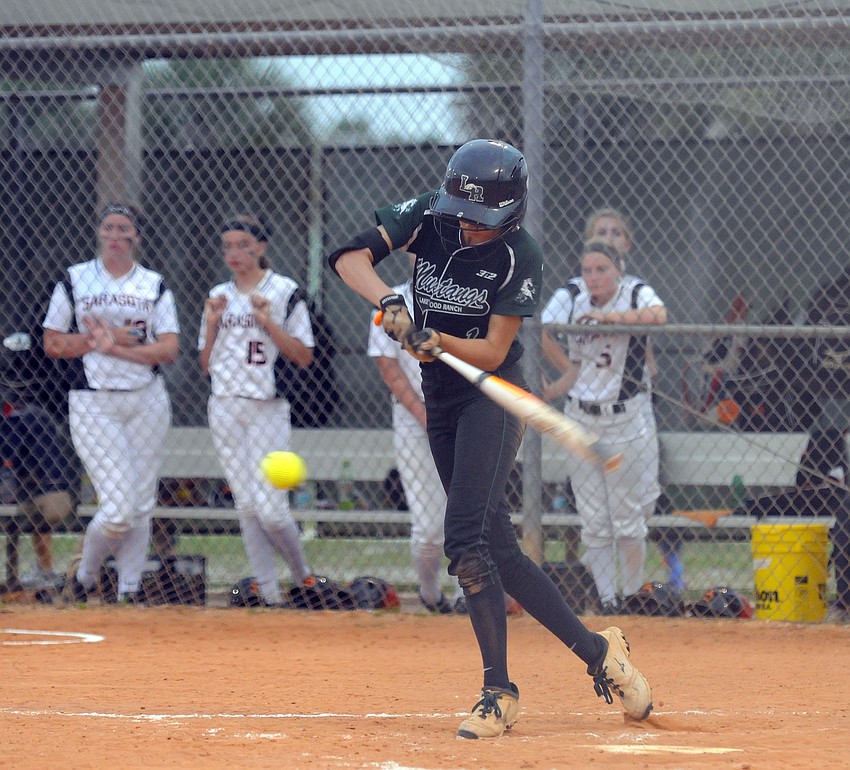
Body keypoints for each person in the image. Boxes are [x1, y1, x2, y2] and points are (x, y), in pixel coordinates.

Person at [328, 138, 652, 739]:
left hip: (493, 398)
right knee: (497, 546)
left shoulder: (518, 255)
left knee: (465, 537)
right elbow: (347, 258)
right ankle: (599, 653)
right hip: (442, 399)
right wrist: (392, 301)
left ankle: (498, 690)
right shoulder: (431, 215)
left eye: (482, 222)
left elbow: (495, 350)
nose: (468, 229)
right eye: (463, 217)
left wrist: (437, 341)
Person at [43, 202, 180, 603]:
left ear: (137, 236)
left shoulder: (153, 284)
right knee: (118, 507)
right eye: (109, 228)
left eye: (125, 229)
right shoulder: (75, 279)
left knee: (141, 501)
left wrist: (116, 346)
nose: (116, 236)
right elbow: (52, 342)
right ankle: (85, 575)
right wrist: (94, 342)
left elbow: (169, 348)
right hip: (93, 401)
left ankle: (129, 589)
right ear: (99, 233)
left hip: (147, 400)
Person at [546, 207, 684, 593]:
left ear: (619, 264)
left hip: (626, 415)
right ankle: (607, 599)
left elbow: (659, 316)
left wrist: (610, 320)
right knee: (594, 518)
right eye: (588, 270)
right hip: (581, 418)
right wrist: (568, 376)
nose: (593, 277)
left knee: (632, 512)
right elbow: (539, 328)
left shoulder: (636, 292)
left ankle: (632, 593)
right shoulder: (572, 292)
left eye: (601, 270)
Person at [198, 214, 314, 607]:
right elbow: (204, 364)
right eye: (228, 245)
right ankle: (269, 594)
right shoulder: (218, 294)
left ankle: (304, 577)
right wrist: (213, 323)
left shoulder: (284, 291)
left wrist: (268, 322)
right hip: (225, 406)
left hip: (267, 407)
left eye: (244, 245)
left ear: (261, 248)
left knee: (272, 511)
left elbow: (303, 356)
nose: (235, 253)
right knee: (246, 506)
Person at [367, 265, 465, 613]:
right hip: (415, 419)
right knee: (428, 530)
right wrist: (425, 415)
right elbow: (388, 367)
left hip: (463, 416)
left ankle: (467, 596)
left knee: (466, 516)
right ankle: (430, 594)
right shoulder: (393, 303)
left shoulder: (461, 294)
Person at [0, 330, 74, 591]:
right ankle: (45, 570)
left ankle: (45, 571)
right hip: (50, 492)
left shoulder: (22, 414)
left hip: (45, 496)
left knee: (33, 499)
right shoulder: (39, 412)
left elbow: (9, 457)